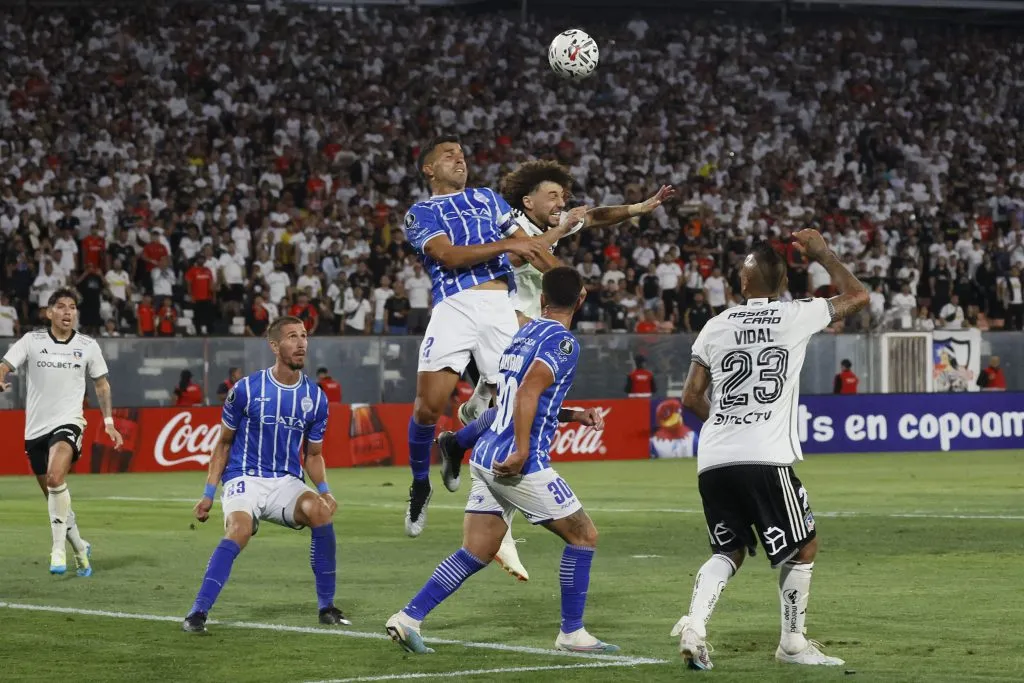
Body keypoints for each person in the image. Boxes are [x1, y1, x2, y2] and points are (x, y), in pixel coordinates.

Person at [433, 160, 672, 581]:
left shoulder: (553, 222)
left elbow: (596, 216)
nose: (562, 202)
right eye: (553, 195)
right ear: (528, 201)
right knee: (510, 401)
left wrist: (639, 207)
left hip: (530, 322)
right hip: (503, 319)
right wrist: (561, 230)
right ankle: (473, 447)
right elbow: (531, 252)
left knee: (510, 406)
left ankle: (462, 445)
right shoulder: (508, 226)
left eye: (564, 195)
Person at [386, 267, 617, 655]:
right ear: (581, 300)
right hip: (518, 462)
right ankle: (572, 633)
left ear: (542, 300)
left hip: (487, 456)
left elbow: (512, 400)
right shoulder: (562, 343)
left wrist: (573, 414)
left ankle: (408, 618)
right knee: (583, 536)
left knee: (477, 549)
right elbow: (527, 394)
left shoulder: (522, 335)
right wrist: (524, 450)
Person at [673, 231, 868, 669]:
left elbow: (690, 397)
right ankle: (793, 645)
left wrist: (728, 425)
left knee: (728, 550)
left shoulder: (716, 325)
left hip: (716, 458)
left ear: (742, 285)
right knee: (805, 545)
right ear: (782, 283)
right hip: (764, 456)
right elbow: (857, 295)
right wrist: (822, 252)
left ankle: (695, 625)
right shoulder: (795, 315)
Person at [400, 135, 551, 540]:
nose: (459, 159)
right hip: (454, 305)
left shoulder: (488, 198)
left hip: (500, 306)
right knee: (428, 408)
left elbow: (528, 245)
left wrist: (563, 276)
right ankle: (419, 483)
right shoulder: (420, 213)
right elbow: (447, 256)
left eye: (463, 155)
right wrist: (507, 246)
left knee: (517, 406)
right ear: (429, 169)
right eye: (448, 155)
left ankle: (457, 443)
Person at [182, 316, 348, 633]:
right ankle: (197, 613)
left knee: (320, 513)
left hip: (286, 481)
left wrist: (324, 490)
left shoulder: (316, 398)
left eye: (304, 336)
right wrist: (207, 494)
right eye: (291, 337)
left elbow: (313, 455)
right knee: (240, 531)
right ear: (274, 346)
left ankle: (327, 607)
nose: (301, 343)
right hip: (244, 477)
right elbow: (223, 445)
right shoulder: (245, 390)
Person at [0, 288, 124, 575]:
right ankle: (80, 547)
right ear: (49, 312)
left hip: (69, 422)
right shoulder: (32, 341)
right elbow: (5, 365)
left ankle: (58, 550)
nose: (68, 312)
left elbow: (101, 384)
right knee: (55, 498)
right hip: (35, 431)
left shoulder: (87, 345)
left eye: (72, 307)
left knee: (56, 477)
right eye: (62, 307)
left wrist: (108, 423)